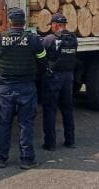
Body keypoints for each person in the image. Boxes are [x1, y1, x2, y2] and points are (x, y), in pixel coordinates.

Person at [0, 8, 47, 169]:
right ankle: (27, 160)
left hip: (5, 87)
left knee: (4, 123)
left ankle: (0, 159)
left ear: (10, 22)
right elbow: (43, 59)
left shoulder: (0, 37)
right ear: (24, 23)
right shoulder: (33, 39)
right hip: (26, 86)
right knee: (25, 124)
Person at [41, 13, 78, 151]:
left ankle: (50, 143)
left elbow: (40, 53)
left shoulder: (50, 39)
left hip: (53, 77)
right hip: (68, 77)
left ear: (56, 24)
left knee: (50, 109)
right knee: (67, 109)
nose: (51, 27)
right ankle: (70, 140)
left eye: (51, 25)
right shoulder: (73, 38)